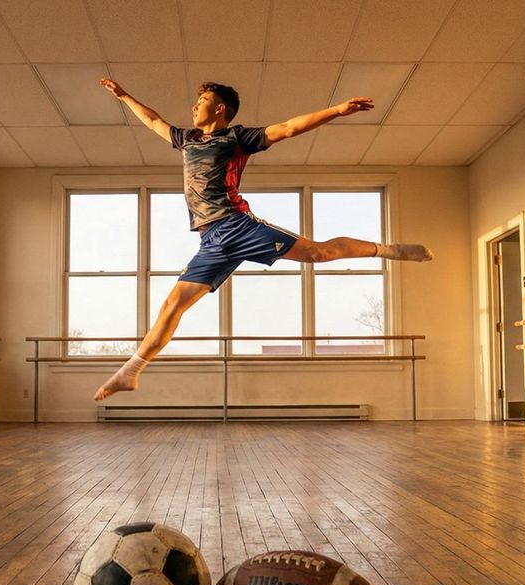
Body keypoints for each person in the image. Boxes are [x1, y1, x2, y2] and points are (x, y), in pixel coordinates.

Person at [93, 78, 433, 401]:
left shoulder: (237, 138)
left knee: (319, 253)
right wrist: (123, 96)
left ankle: (388, 250)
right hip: (211, 241)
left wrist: (337, 111)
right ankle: (131, 371)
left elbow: (288, 127)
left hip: (237, 225)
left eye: (202, 101)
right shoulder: (187, 138)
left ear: (220, 109)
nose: (194, 106)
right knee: (173, 305)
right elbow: (153, 120)